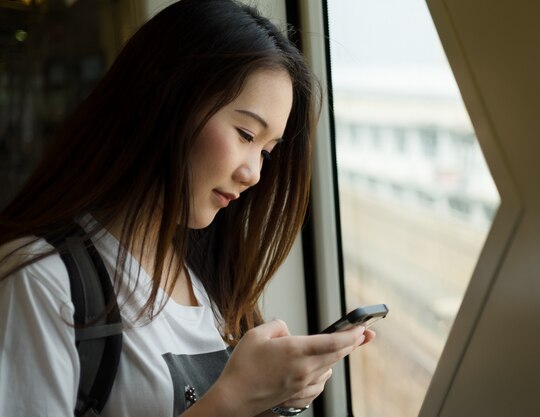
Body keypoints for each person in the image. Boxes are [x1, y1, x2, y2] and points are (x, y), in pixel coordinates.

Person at [0, 1, 375, 416]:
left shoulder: (207, 275)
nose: (254, 174)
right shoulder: (41, 280)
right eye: (246, 134)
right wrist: (232, 401)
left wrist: (277, 398)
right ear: (166, 100)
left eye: (267, 152)